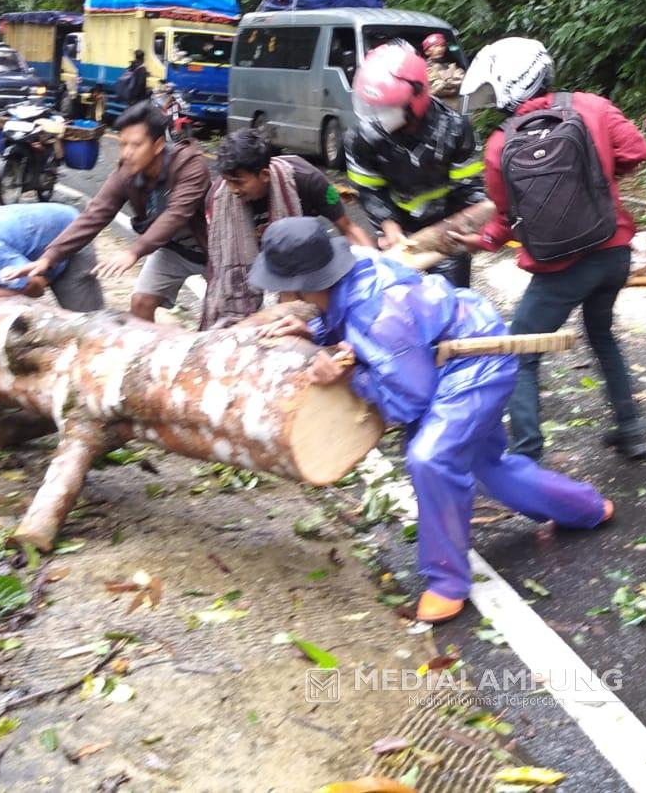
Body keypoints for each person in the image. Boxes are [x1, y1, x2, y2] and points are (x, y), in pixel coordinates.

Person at [254, 217, 612, 624]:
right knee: (485, 465)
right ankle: (584, 507)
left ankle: (447, 582)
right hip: (446, 358)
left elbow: (411, 399)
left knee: (431, 458)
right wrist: (316, 330)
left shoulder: (378, 312)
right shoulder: (353, 272)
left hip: (472, 365)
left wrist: (348, 376)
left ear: (303, 282)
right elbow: (351, 324)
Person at [453, 38, 646, 461]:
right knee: (601, 334)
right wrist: (599, 180)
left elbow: (506, 217)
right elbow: (637, 150)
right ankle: (632, 429)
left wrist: (483, 241)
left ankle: (526, 454)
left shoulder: (500, 143)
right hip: (612, 250)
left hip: (561, 266)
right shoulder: (591, 106)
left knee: (519, 351)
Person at [7, 100, 211, 320]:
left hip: (213, 249)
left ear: (158, 145)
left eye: (136, 145)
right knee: (140, 302)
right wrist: (49, 258)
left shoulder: (190, 165)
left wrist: (134, 252)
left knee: (218, 316)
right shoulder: (127, 172)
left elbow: (176, 215)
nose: (127, 153)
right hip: (172, 249)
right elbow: (95, 214)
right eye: (123, 145)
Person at [345, 41, 488, 288]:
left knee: (450, 297)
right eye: (375, 107)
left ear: (417, 96)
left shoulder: (454, 129)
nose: (379, 114)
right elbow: (369, 188)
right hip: (397, 229)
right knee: (396, 299)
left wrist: (472, 228)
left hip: (446, 227)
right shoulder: (364, 135)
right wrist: (389, 226)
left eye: (388, 107)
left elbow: (469, 189)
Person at [201, 129, 374, 328]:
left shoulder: (307, 180)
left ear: (264, 175)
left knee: (304, 316)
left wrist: (376, 267)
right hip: (253, 269)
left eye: (239, 182)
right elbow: (218, 258)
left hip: (298, 264)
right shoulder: (218, 199)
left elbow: (348, 228)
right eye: (227, 181)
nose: (232, 190)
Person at [422, 32, 464, 100]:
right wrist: (451, 79)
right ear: (427, 52)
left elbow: (463, 82)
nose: (439, 49)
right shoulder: (424, 67)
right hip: (437, 104)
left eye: (442, 45)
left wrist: (447, 82)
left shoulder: (451, 65)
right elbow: (438, 88)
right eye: (435, 46)